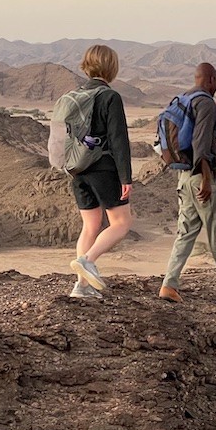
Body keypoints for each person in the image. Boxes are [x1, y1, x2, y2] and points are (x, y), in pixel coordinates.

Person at [158, 62, 216, 306]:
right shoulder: (207, 103)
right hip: (202, 178)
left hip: (184, 178)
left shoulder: (183, 99)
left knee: (185, 232)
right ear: (211, 79)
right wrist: (207, 180)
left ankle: (169, 285)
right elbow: (201, 144)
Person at [67, 44, 134, 298]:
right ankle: (88, 261)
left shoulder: (75, 95)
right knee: (122, 222)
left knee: (90, 225)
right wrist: (125, 176)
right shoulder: (110, 96)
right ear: (111, 67)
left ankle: (81, 287)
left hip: (78, 169)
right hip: (104, 168)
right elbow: (119, 139)